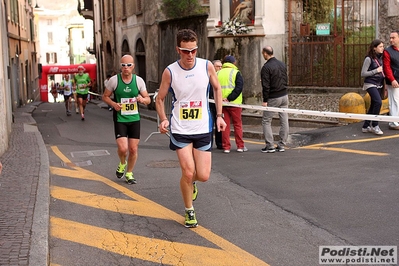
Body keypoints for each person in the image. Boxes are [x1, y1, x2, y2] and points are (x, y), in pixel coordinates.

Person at [155, 29, 226, 228]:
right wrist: (162, 119)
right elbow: (159, 99)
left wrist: (219, 116)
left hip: (203, 126)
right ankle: (189, 210)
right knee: (187, 172)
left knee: (202, 175)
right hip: (180, 128)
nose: (190, 55)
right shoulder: (170, 71)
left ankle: (192, 183)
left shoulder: (207, 66)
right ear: (178, 49)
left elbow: (217, 88)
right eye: (186, 51)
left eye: (193, 50)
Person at [102, 55, 151, 184]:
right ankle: (122, 163)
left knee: (133, 149)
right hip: (120, 118)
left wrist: (142, 99)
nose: (126, 68)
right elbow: (105, 96)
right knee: (123, 148)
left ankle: (129, 173)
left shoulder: (139, 81)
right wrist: (113, 104)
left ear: (133, 66)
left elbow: (148, 99)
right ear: (121, 67)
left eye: (129, 65)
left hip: (134, 118)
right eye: (123, 65)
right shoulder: (114, 80)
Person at [260, 46, 289, 153]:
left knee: (266, 121)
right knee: (284, 120)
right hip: (284, 95)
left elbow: (266, 86)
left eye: (263, 53)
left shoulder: (266, 67)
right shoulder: (282, 64)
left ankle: (270, 145)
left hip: (273, 97)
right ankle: (282, 144)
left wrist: (265, 100)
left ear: (265, 53)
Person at [218, 55, 247, 153]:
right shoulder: (236, 72)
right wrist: (230, 98)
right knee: (237, 125)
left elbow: (214, 88)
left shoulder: (218, 73)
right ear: (233, 63)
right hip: (235, 103)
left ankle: (226, 147)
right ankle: (240, 146)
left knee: (224, 126)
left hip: (221, 104)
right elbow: (239, 88)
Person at [361, 39, 385, 135]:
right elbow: (363, 73)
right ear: (374, 48)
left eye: (383, 46)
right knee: (378, 102)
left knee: (373, 104)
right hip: (370, 84)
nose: (382, 48)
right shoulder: (368, 59)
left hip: (379, 84)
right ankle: (375, 125)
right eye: (380, 46)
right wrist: (376, 70)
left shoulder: (381, 58)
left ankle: (366, 126)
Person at [383, 30, 399, 130]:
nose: (391, 40)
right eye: (390, 38)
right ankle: (393, 122)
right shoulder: (387, 51)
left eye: (393, 38)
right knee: (394, 101)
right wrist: (392, 80)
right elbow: (387, 67)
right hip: (394, 80)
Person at [209, 60, 223, 149]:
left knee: (219, 123)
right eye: (218, 66)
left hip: (219, 103)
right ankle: (209, 144)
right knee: (210, 124)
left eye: (221, 66)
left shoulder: (221, 76)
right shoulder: (208, 76)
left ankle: (220, 143)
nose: (220, 68)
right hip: (210, 102)